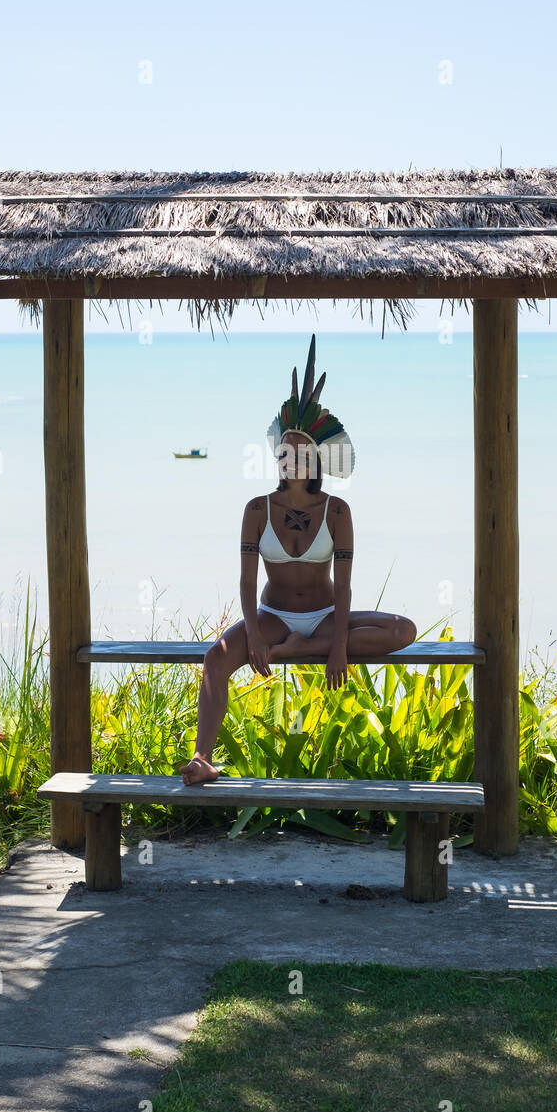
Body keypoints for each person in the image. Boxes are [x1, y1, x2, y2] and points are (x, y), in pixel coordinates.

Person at [180, 335, 417, 785]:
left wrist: (339, 647)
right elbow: (247, 583)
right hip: (272, 617)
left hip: (326, 617)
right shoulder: (256, 509)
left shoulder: (338, 511)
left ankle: (305, 648)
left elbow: (344, 586)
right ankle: (201, 759)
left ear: (315, 459)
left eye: (301, 452)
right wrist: (251, 633)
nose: (291, 459)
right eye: (285, 451)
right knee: (215, 658)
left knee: (403, 630)